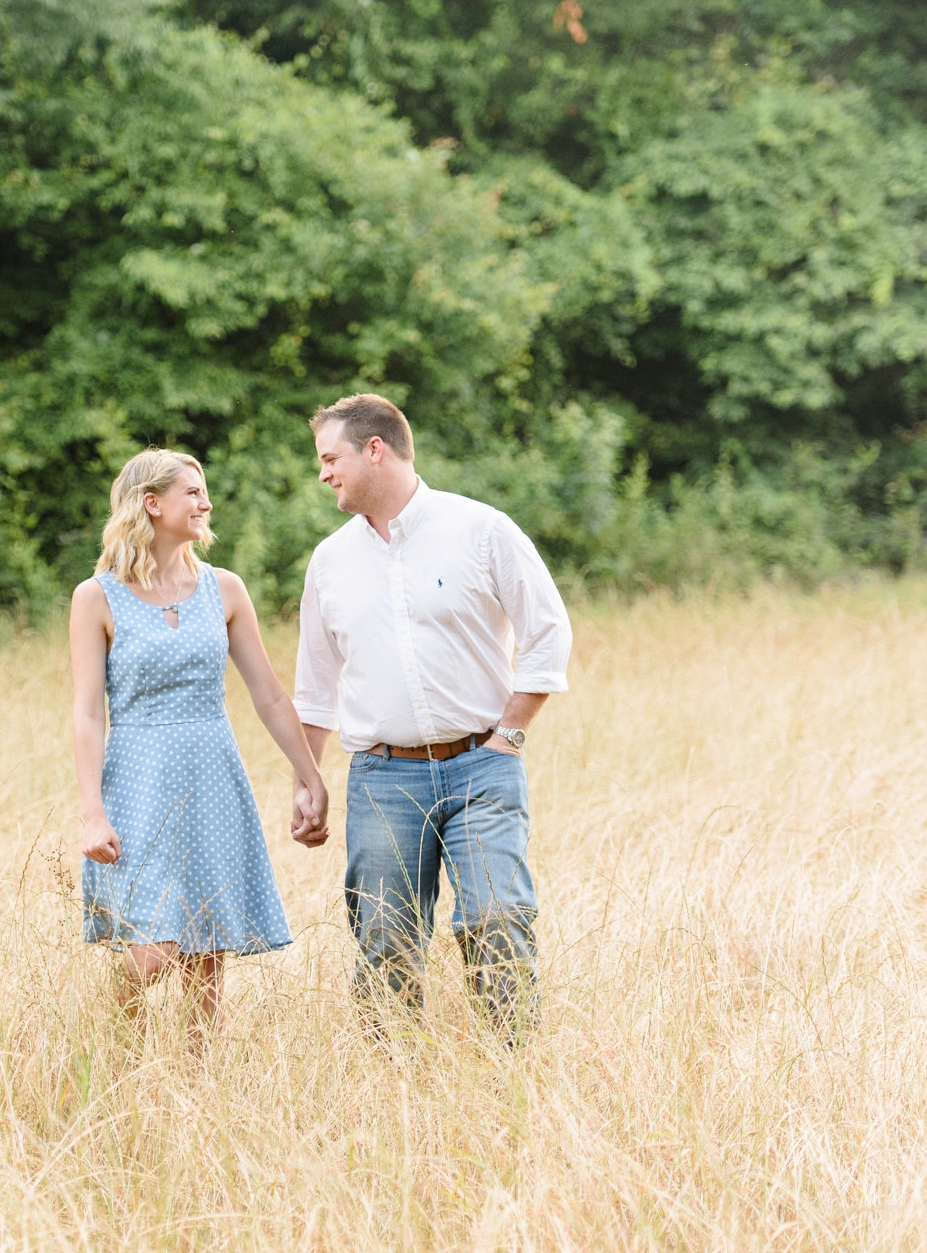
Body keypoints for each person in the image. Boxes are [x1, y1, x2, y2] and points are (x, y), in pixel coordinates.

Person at [287, 394, 571, 1035]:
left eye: (331, 459)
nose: (323, 473)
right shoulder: (330, 562)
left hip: (483, 767)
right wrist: (308, 782)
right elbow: (315, 687)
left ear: (375, 450)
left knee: (496, 920)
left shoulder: (482, 530)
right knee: (384, 936)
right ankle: (395, 1088)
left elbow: (548, 633)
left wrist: (511, 734)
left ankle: (511, 1073)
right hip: (384, 779)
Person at [70, 448, 333, 1044]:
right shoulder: (97, 597)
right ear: (151, 503)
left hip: (212, 775)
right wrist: (92, 813)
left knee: (205, 958)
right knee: (152, 952)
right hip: (138, 782)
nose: (206, 503)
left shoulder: (226, 589)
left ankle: (195, 1088)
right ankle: (116, 1054)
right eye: (192, 492)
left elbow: (267, 696)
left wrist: (308, 773)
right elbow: (88, 712)